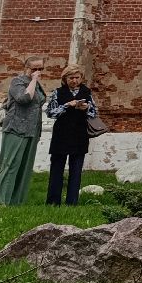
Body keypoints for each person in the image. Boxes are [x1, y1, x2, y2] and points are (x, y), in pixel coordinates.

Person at [0, 57, 48, 205]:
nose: (37, 72)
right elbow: (24, 98)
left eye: (40, 69)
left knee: (24, 168)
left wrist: (35, 82)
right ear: (27, 68)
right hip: (16, 128)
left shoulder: (37, 86)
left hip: (32, 130)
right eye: (34, 69)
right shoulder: (18, 82)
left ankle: (16, 201)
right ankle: (0, 202)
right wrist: (33, 80)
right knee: (10, 165)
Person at [44, 65, 97, 206]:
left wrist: (87, 108)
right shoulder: (58, 92)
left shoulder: (87, 92)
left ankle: (72, 202)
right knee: (57, 168)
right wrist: (67, 105)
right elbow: (50, 112)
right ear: (65, 79)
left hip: (79, 134)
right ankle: (53, 201)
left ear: (81, 78)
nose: (74, 81)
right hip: (61, 133)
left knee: (76, 169)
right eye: (71, 78)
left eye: (76, 78)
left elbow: (94, 113)